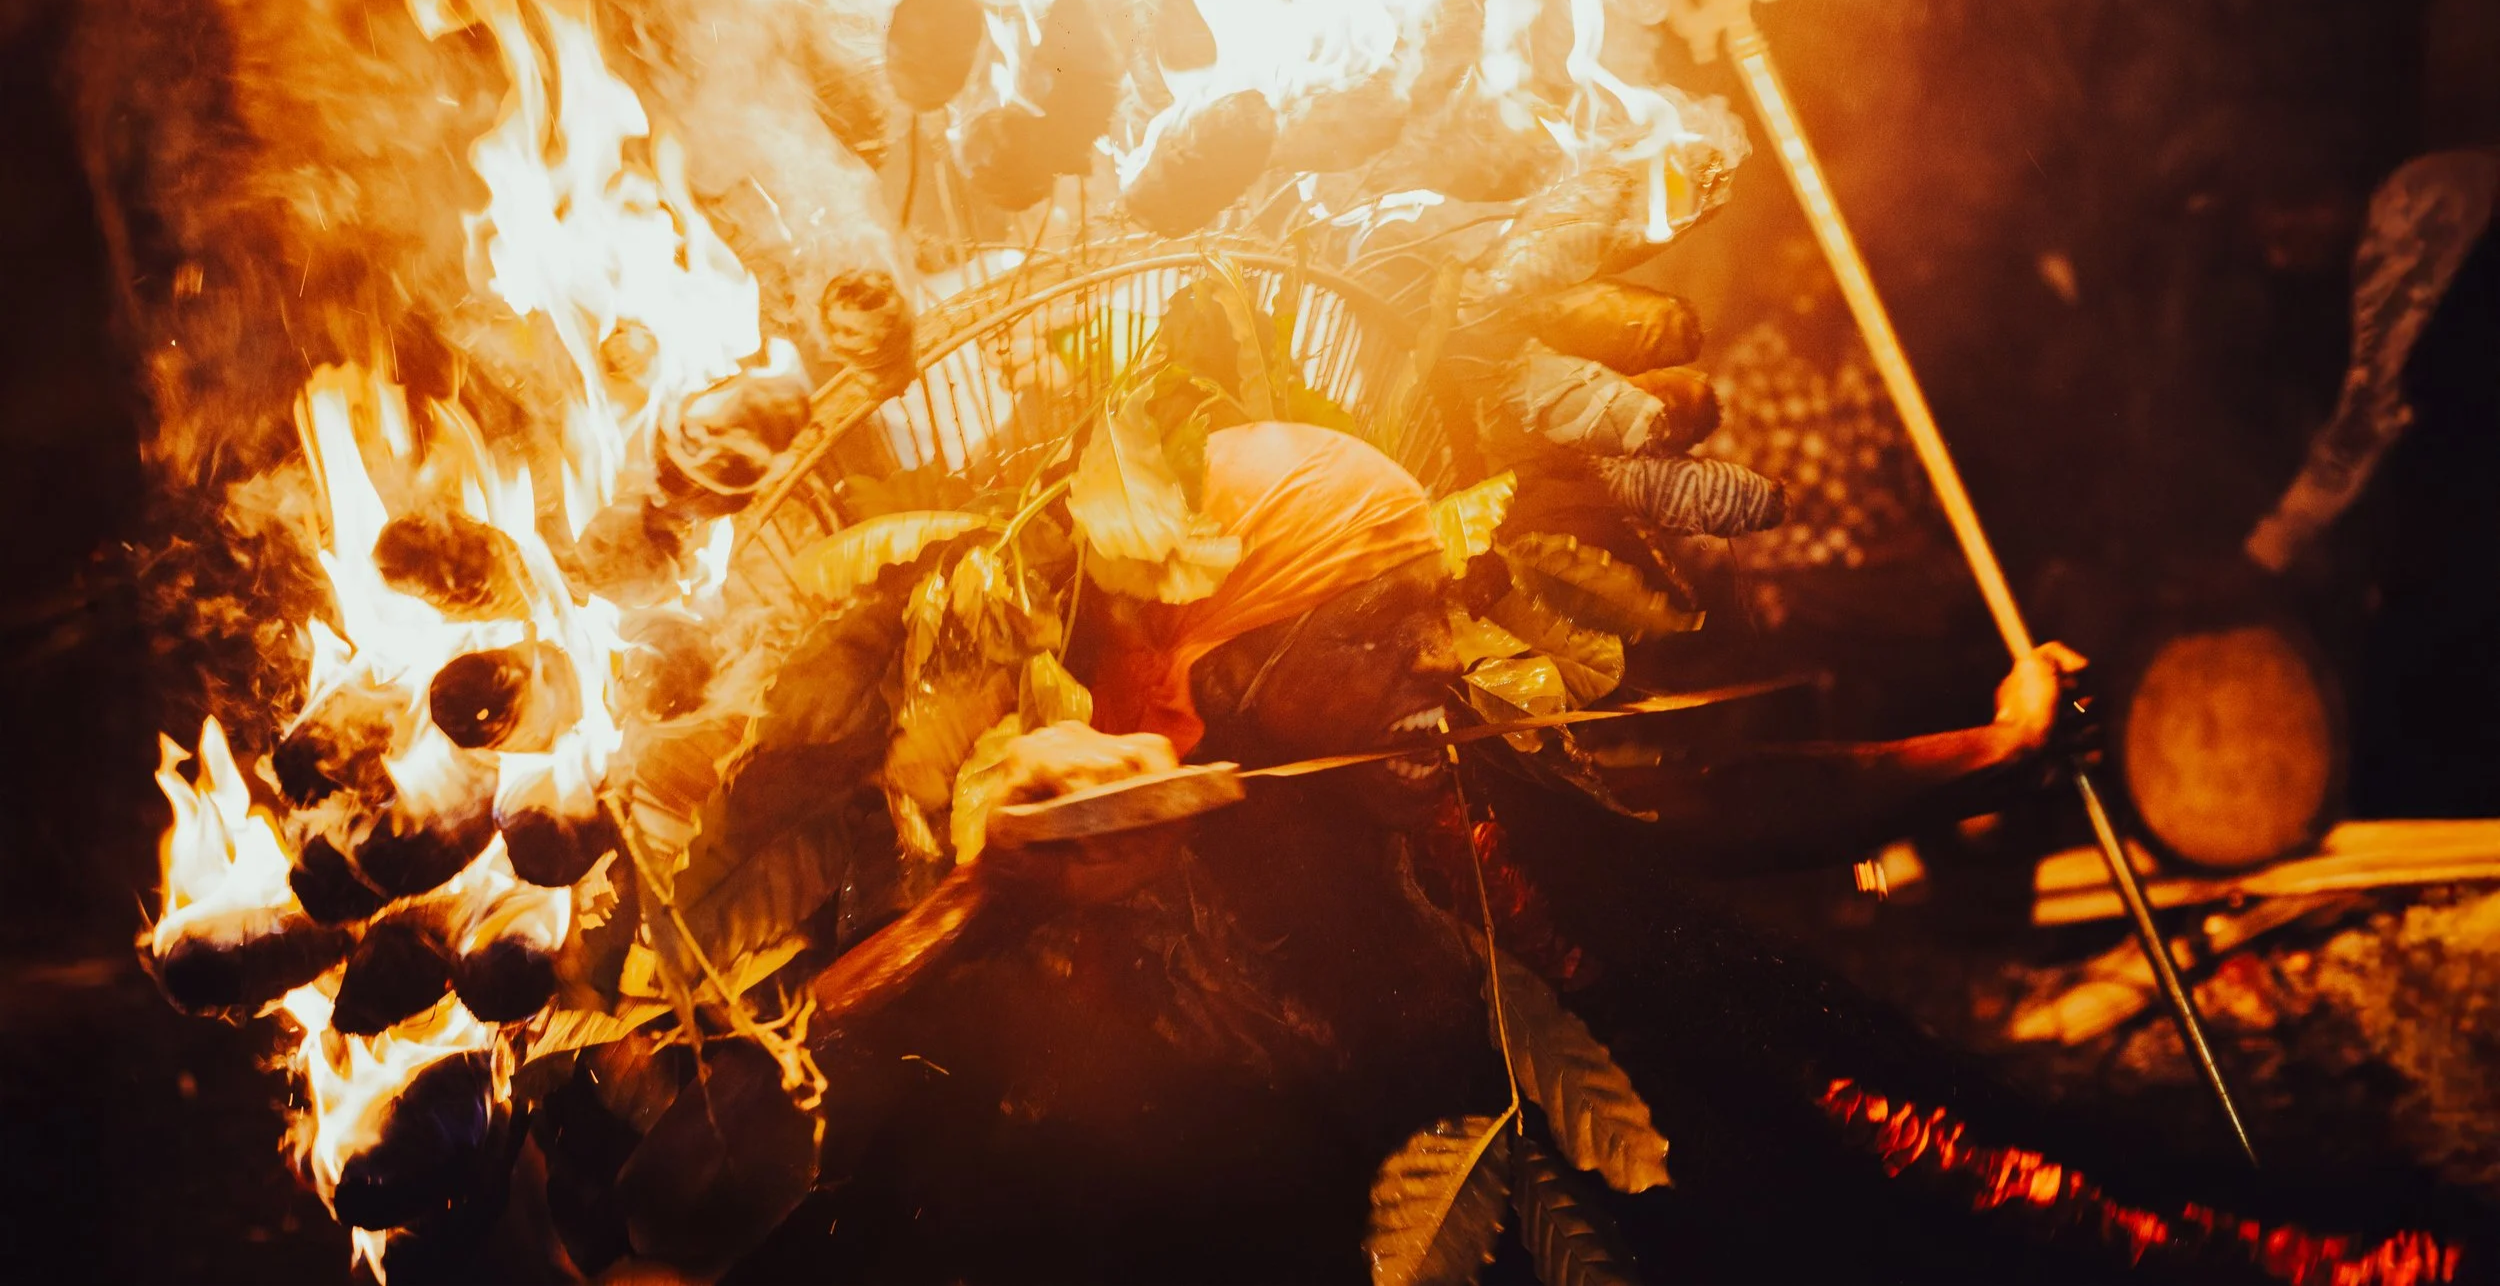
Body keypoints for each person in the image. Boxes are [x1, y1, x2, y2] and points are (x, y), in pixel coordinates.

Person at [771, 421, 2437, 1283]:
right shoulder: (1132, 856)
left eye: (1424, 615)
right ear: (1232, 662)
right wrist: (991, 896)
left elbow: (1714, 801)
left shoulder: (1431, 764)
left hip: (1754, 1168)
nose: (1423, 662)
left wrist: (1987, 753)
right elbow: (800, 1073)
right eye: (1371, 628)